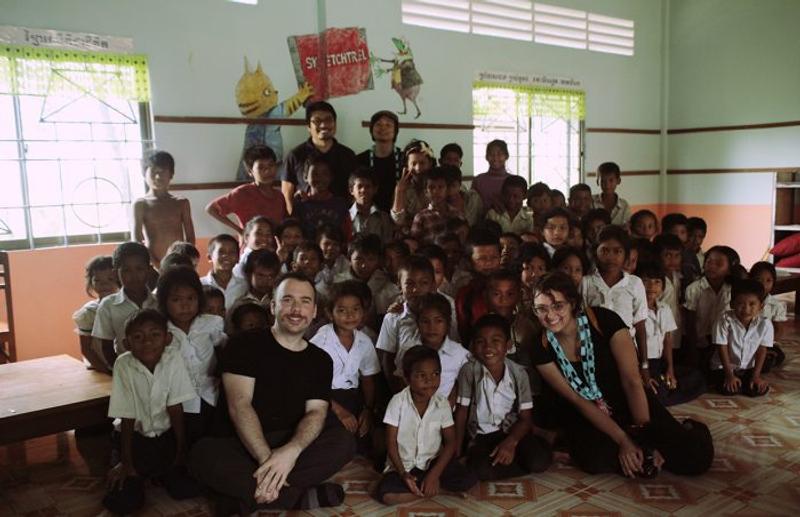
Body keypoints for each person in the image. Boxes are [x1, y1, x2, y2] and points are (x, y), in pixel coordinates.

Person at [189, 273, 356, 512]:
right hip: (241, 442)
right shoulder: (243, 344)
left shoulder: (320, 360)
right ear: (273, 306)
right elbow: (240, 405)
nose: (296, 309)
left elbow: (316, 413)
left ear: (315, 310)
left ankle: (245, 496)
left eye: (305, 301)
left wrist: (290, 452)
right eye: (287, 300)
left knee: (343, 443)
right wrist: (268, 460)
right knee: (202, 455)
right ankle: (294, 497)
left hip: (290, 440)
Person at [531, 272, 714, 477]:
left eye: (558, 306)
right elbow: (577, 399)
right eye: (541, 308)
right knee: (597, 460)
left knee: (695, 459)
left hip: (630, 401)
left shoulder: (604, 320)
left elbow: (632, 381)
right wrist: (624, 441)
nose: (550, 315)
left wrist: (646, 438)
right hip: (587, 411)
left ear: (572, 303)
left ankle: (690, 426)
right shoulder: (539, 346)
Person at [103, 309, 200, 514]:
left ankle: (159, 471)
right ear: (127, 344)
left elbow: (175, 407)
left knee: (185, 489)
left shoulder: (172, 357)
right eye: (138, 337)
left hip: (166, 436)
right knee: (125, 502)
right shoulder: (124, 364)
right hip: (134, 438)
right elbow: (127, 416)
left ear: (167, 338)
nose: (147, 342)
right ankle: (139, 470)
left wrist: (181, 451)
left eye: (155, 335)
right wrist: (126, 461)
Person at [455, 314, 552, 480]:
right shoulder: (468, 371)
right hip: (482, 436)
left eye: (496, 341)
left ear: (508, 345)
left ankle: (527, 452)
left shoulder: (519, 373)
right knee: (481, 471)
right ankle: (506, 462)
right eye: (480, 342)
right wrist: (457, 453)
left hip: (512, 431)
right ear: (472, 346)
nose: (488, 347)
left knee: (539, 462)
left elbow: (525, 418)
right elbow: (462, 412)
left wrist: (511, 442)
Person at [377, 346, 478, 504]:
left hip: (432, 463)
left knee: (470, 480)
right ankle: (439, 491)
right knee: (387, 496)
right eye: (421, 375)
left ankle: (427, 486)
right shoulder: (397, 402)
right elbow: (390, 443)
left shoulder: (442, 403)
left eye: (435, 374)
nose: (429, 380)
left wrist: (434, 475)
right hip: (404, 466)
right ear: (407, 377)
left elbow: (451, 442)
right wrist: (403, 474)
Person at [157, 267, 226, 444]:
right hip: (177, 401)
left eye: (191, 298)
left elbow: (225, 348)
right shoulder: (161, 332)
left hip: (211, 394)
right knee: (185, 441)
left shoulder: (211, 323)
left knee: (214, 439)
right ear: (164, 302)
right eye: (176, 299)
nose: (185, 305)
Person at [581, 225, 650, 384]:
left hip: (627, 349)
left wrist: (644, 365)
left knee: (629, 386)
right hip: (595, 349)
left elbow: (640, 326)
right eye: (605, 250)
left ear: (626, 256)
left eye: (617, 251)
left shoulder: (634, 283)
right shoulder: (587, 282)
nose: (610, 257)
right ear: (595, 252)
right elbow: (581, 322)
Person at [638, 264, 705, 406]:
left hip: (659, 362)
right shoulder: (635, 309)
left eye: (657, 282)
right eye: (646, 281)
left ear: (662, 287)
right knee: (656, 391)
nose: (651, 286)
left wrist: (670, 369)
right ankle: (661, 394)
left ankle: (665, 388)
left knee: (696, 377)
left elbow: (667, 340)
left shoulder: (664, 308)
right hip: (642, 362)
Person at [280, 101, 356, 214]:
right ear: (308, 127)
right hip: (305, 221)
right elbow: (287, 194)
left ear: (335, 124)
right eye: (317, 121)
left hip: (339, 221)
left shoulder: (348, 155)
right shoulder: (295, 155)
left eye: (328, 120)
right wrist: (293, 220)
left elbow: (354, 192)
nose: (323, 125)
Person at [92, 242, 157, 369]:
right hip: (127, 370)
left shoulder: (159, 302)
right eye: (126, 270)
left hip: (161, 370)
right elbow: (106, 346)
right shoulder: (108, 305)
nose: (134, 276)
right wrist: (120, 371)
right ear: (116, 274)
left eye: (139, 269)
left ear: (149, 271)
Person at [206, 145, 287, 236]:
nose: (267, 171)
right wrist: (239, 230)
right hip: (250, 247)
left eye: (271, 165)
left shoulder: (279, 195)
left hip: (274, 247)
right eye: (261, 167)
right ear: (250, 172)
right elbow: (211, 209)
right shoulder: (243, 192)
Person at [711, 279, 774, 396]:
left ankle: (749, 380)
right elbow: (721, 346)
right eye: (740, 303)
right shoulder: (724, 320)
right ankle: (733, 380)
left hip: (748, 368)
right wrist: (729, 375)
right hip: (723, 367)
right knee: (730, 389)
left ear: (761, 306)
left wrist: (756, 376)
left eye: (752, 304)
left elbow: (762, 350)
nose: (746, 309)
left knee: (755, 389)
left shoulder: (765, 324)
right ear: (731, 304)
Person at [133, 151, 195, 268]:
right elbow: (137, 241)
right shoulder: (140, 204)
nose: (158, 176)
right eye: (153, 171)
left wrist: (186, 260)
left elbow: (190, 238)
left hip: (179, 264)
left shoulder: (181, 202)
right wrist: (156, 265)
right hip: (151, 264)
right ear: (144, 174)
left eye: (163, 172)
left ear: (171, 174)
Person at [683, 245, 739, 370]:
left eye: (718, 264)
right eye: (708, 262)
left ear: (730, 269)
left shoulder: (733, 290)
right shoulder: (694, 288)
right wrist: (692, 347)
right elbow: (690, 321)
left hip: (726, 341)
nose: (712, 266)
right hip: (701, 341)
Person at [415, 293, 470, 403]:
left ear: (448, 323)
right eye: (425, 321)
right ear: (417, 323)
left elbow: (463, 389)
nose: (432, 327)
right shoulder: (408, 350)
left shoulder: (460, 354)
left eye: (438, 321)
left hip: (446, 414)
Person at [73, 255, 119, 373]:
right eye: (97, 280)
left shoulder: (125, 306)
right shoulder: (89, 313)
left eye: (110, 279)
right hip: (100, 369)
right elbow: (86, 349)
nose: (104, 285)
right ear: (90, 283)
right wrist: (107, 372)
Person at [455, 231, 502, 344]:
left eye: (494, 257)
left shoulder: (511, 287)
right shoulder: (466, 294)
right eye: (481, 259)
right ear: (470, 262)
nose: (489, 263)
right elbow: (464, 331)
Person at [293, 155, 351, 241]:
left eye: (325, 174)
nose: (320, 178)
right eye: (315, 174)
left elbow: (346, 235)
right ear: (305, 177)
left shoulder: (340, 204)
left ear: (331, 177)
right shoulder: (300, 204)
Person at [355, 110, 403, 212]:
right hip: (369, 214)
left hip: (398, 213)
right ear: (371, 130)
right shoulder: (359, 160)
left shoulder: (404, 158)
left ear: (395, 131)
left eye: (388, 125)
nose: (383, 128)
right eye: (378, 124)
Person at [391, 139, 436, 231]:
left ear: (430, 163)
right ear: (407, 166)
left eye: (422, 163)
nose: (418, 168)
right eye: (413, 163)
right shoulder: (401, 187)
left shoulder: (438, 185)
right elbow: (398, 220)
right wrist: (400, 191)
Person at [410, 167, 462, 245]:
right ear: (425, 192)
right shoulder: (421, 217)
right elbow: (414, 245)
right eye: (431, 187)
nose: (436, 191)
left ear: (446, 189)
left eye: (440, 187)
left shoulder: (457, 214)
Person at [750, 261, 787, 370]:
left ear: (773, 283)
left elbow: (779, 329)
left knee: (778, 355)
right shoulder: (744, 301)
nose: (763, 284)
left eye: (768, 280)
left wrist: (768, 344)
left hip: (765, 343)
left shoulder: (775, 305)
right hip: (744, 340)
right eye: (758, 279)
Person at [201, 234, 248, 310]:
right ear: (210, 257)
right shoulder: (200, 285)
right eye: (221, 252)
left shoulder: (244, 286)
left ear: (238, 258)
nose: (226, 255)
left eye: (232, 252)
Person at [348, 167, 395, 242]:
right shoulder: (346, 217)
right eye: (359, 186)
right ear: (351, 190)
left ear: (375, 189)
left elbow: (387, 244)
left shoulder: (383, 218)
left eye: (368, 186)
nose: (363, 190)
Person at [471, 139, 512, 211]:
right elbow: (472, 207)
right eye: (491, 154)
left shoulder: (513, 180)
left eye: (499, 154)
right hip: (482, 221)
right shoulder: (478, 180)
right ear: (486, 157)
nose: (495, 158)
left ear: (506, 156)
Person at [593, 162, 631, 226]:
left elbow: (627, 227)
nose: (607, 185)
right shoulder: (591, 201)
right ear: (597, 182)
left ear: (618, 181)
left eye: (611, 180)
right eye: (603, 181)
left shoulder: (624, 205)